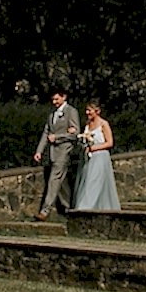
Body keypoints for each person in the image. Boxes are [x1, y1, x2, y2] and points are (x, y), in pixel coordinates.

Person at [33, 88, 81, 221]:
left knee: (54, 180)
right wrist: (39, 151)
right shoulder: (52, 115)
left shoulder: (71, 112)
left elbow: (76, 133)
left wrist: (58, 137)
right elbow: (46, 133)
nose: (54, 102)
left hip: (64, 151)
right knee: (62, 182)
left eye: (56, 99)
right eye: (53, 99)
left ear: (63, 97)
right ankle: (69, 208)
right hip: (53, 152)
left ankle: (45, 211)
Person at [73, 101, 121, 211]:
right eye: (87, 110)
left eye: (90, 110)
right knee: (87, 181)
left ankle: (86, 207)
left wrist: (94, 148)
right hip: (88, 158)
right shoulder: (87, 124)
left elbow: (109, 143)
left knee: (94, 181)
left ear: (97, 111)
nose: (87, 112)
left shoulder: (104, 124)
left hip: (100, 156)